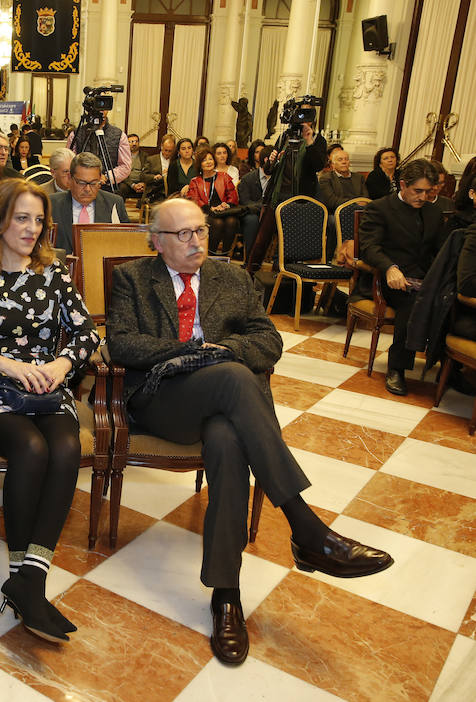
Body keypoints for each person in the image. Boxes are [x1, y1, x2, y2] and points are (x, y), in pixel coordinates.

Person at [106, 197, 393, 665]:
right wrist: (197, 354)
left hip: (223, 404)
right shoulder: (132, 278)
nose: (196, 240)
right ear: (156, 241)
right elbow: (122, 342)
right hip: (164, 401)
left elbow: (268, 340)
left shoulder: (232, 278)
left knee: (225, 437)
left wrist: (223, 351)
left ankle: (226, 596)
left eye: (200, 230)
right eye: (182, 234)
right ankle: (305, 527)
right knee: (235, 376)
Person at [0, 178, 100, 643]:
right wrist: (4, 364)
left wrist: (62, 362)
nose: (31, 229)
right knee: (30, 449)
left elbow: (87, 333)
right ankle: (21, 575)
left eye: (39, 220)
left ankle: (30, 581)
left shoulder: (54, 272)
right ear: (1, 218)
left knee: (66, 448)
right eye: (21, 218)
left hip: (46, 388)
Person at [359, 159, 444, 396]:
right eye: (418, 191)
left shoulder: (434, 212)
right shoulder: (380, 208)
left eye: (428, 192)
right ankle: (396, 368)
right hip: (389, 279)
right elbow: (369, 247)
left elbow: (440, 250)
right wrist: (389, 267)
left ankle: (450, 369)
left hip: (424, 279)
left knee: (450, 302)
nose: (423, 197)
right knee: (412, 303)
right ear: (403, 185)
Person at [246, 111, 327, 271]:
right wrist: (272, 160)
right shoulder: (284, 138)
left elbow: (318, 165)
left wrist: (309, 141)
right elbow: (268, 170)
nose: (301, 124)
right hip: (276, 197)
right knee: (261, 241)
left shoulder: (318, 140)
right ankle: (250, 275)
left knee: (287, 244)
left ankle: (280, 279)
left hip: (300, 200)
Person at [50, 151, 129, 254]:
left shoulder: (114, 203)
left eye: (93, 183)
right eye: (82, 183)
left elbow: (126, 243)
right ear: (70, 178)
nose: (87, 189)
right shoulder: (52, 204)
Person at [186, 147, 240, 255]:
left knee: (232, 221)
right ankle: (212, 256)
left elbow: (233, 196)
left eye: (210, 159)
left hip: (224, 211)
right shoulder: (195, 181)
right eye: (204, 160)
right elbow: (194, 200)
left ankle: (225, 256)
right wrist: (210, 208)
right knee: (218, 223)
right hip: (206, 212)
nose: (208, 162)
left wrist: (227, 205)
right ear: (200, 164)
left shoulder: (224, 177)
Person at [319, 148, 368, 261]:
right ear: (333, 164)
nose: (344, 162)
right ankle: (330, 258)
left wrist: (358, 203)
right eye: (340, 160)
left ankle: (360, 258)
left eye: (346, 159)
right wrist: (354, 202)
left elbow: (365, 198)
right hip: (335, 213)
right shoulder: (326, 178)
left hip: (359, 212)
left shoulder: (358, 177)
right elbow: (331, 201)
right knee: (334, 223)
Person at [66, 111, 131, 187]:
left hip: (108, 187)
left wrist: (106, 177)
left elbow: (125, 166)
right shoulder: (76, 134)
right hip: (80, 186)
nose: (101, 110)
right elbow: (68, 162)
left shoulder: (119, 135)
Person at [237, 145, 274, 263]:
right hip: (251, 213)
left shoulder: (279, 179)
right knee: (252, 220)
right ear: (266, 160)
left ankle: (278, 262)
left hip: (271, 213)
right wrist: (262, 207)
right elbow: (245, 202)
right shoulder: (248, 179)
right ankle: (250, 261)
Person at [142, 134, 177, 202]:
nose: (167, 153)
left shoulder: (175, 161)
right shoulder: (151, 159)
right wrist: (154, 177)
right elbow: (143, 176)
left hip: (171, 192)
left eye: (170, 151)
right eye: (165, 150)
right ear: (161, 147)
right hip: (155, 191)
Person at [117, 133, 148, 200]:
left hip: (141, 182)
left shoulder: (145, 156)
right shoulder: (122, 156)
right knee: (122, 187)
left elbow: (147, 171)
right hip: (127, 183)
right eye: (131, 142)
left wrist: (143, 183)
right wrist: (133, 185)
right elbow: (121, 173)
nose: (134, 144)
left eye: (136, 141)